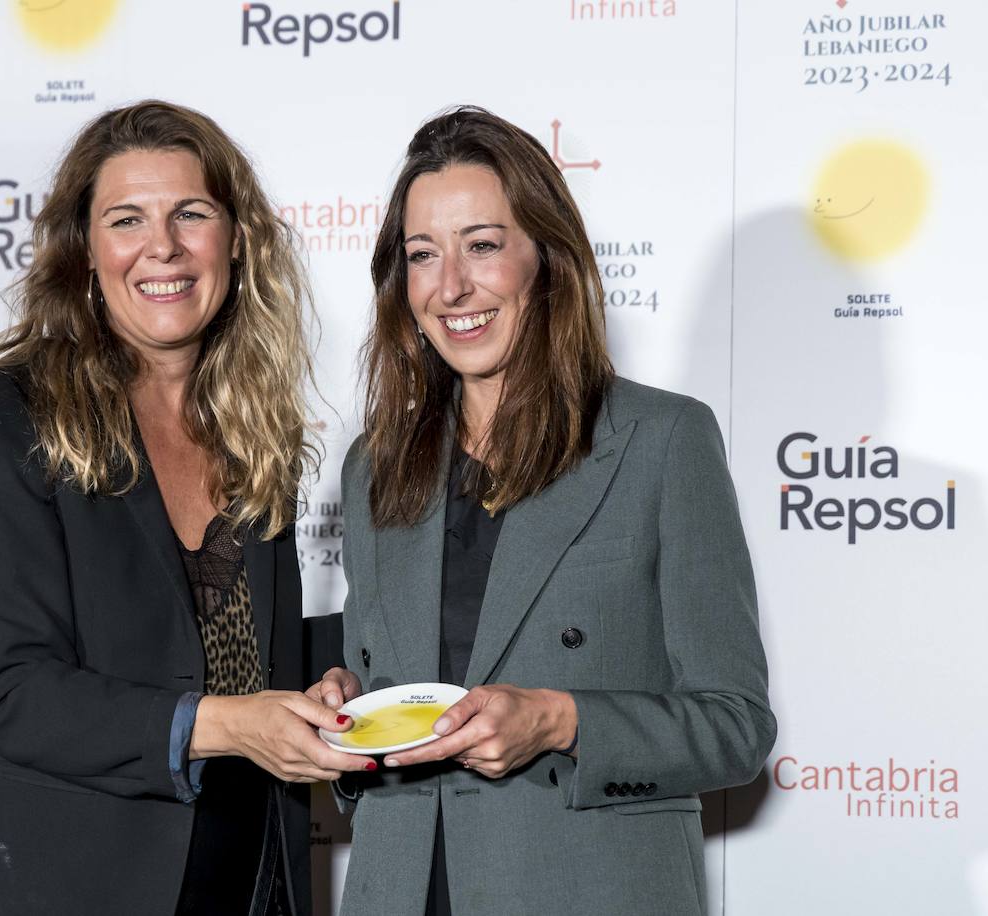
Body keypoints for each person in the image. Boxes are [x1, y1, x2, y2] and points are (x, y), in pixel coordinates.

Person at [308, 107, 777, 916]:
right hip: (400, 889)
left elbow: (735, 726)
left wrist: (562, 721)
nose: (451, 285)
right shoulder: (374, 467)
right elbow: (390, 692)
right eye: (424, 255)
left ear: (547, 259)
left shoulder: (661, 441)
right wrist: (347, 715)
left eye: (483, 245)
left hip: (586, 888)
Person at [0, 100, 374, 916]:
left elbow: (225, 661)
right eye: (127, 219)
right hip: (59, 885)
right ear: (85, 253)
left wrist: (341, 677)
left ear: (235, 240)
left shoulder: (251, 425)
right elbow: (11, 697)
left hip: (245, 880)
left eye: (190, 213)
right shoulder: (11, 411)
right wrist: (230, 727)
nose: (161, 246)